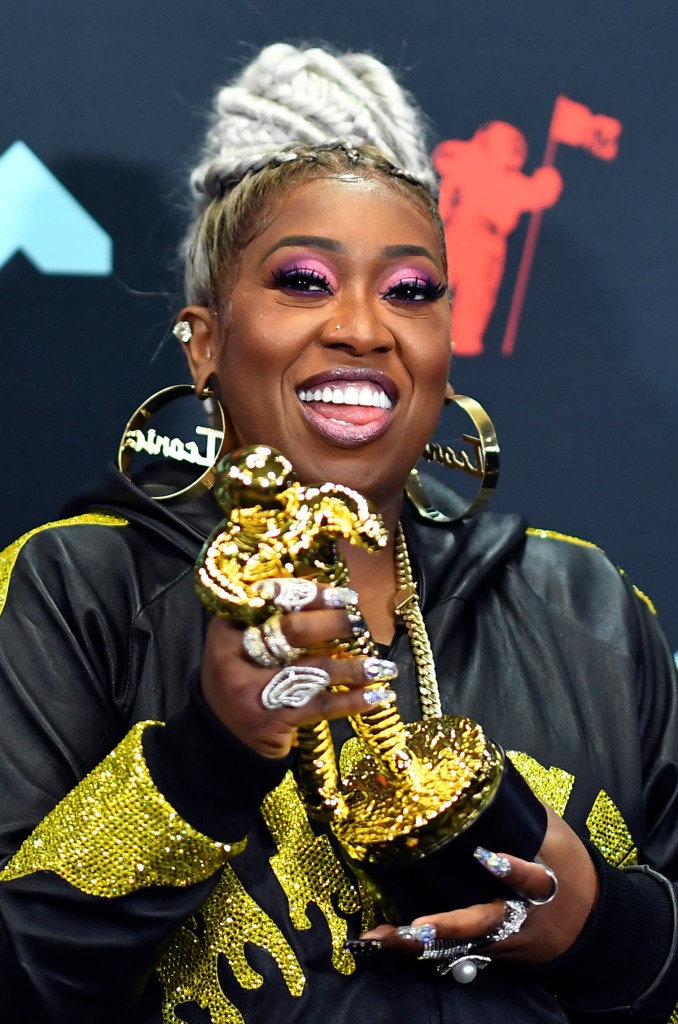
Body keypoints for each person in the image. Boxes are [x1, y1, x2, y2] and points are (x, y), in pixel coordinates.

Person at [0, 42, 676, 1024]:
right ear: (205, 340)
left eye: (410, 292)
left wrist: (605, 928)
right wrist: (207, 762)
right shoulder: (74, 592)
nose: (364, 327)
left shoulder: (590, 609)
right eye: (305, 280)